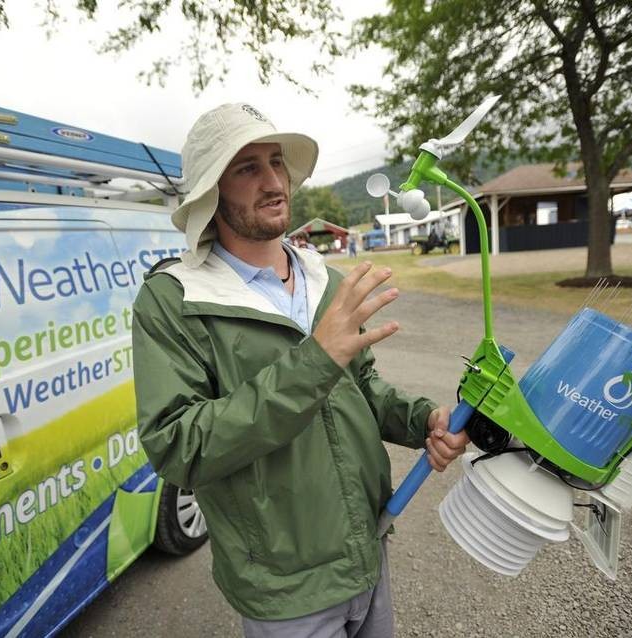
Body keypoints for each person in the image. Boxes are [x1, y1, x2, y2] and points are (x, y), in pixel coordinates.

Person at [132, 103, 469, 637]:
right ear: (210, 192)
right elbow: (178, 446)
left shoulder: (323, 279)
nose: (273, 182)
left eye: (276, 163)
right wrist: (314, 359)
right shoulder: (174, 299)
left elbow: (361, 387)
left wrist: (423, 420)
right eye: (247, 168)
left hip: (368, 545)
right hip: (285, 588)